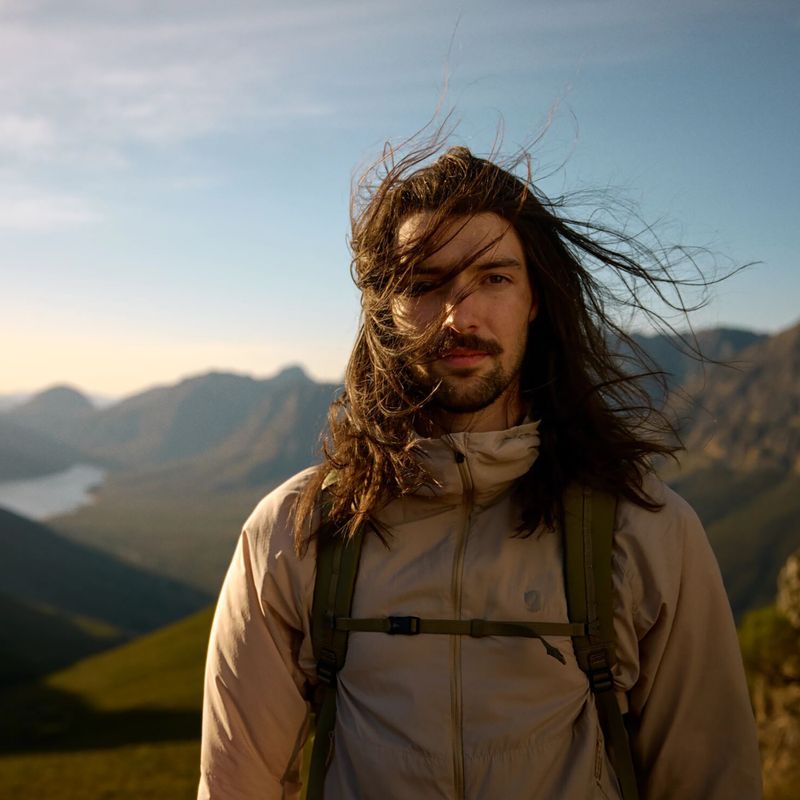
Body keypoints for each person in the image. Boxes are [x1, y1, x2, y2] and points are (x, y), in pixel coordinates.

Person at [198, 144, 762, 799]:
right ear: (385, 310)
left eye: (493, 278)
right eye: (424, 282)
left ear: (534, 300)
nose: (459, 317)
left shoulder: (646, 534)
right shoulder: (293, 535)